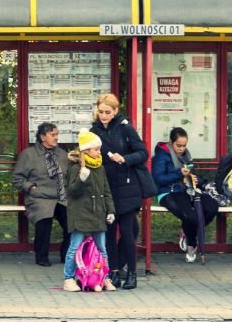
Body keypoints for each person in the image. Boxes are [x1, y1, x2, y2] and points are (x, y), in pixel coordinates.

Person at [90, 93, 150, 290]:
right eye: (101, 112)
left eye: (108, 112)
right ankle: (113, 272)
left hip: (128, 186)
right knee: (108, 232)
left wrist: (124, 158)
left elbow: (142, 153)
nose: (104, 116)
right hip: (106, 188)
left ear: (115, 111)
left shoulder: (125, 128)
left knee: (126, 232)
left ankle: (132, 274)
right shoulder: (93, 131)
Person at [151, 127, 219, 263]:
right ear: (171, 142)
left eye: (184, 145)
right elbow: (158, 179)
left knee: (212, 207)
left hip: (187, 190)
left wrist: (198, 181)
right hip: (168, 193)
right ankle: (191, 244)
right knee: (191, 216)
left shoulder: (186, 156)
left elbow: (191, 175)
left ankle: (188, 231)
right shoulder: (161, 155)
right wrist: (179, 174)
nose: (181, 148)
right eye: (178, 145)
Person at [62, 129, 116, 292]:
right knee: (74, 247)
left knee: (102, 249)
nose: (99, 152)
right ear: (86, 151)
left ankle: (104, 277)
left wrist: (110, 210)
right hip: (80, 214)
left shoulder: (100, 167)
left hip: (98, 213)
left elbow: (106, 191)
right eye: (96, 149)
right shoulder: (75, 168)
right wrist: (82, 177)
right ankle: (68, 278)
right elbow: (71, 192)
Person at [12, 122, 70, 267]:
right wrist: (30, 187)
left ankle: (66, 255)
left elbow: (69, 176)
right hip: (39, 198)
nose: (56, 138)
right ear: (43, 137)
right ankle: (42, 256)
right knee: (44, 223)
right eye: (53, 135)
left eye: (57, 135)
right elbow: (17, 178)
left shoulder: (62, 154)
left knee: (72, 223)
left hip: (61, 198)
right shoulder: (28, 154)